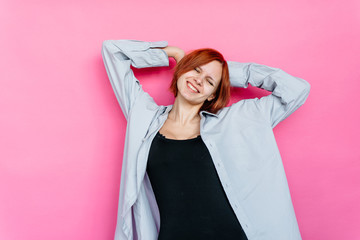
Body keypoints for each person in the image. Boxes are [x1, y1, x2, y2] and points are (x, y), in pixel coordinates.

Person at [101, 39, 310, 240]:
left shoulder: (235, 121)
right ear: (182, 69)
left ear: (212, 95)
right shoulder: (145, 118)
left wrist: (227, 73)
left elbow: (296, 90)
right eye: (196, 69)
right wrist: (174, 54)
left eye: (210, 82)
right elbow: (113, 51)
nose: (199, 80)